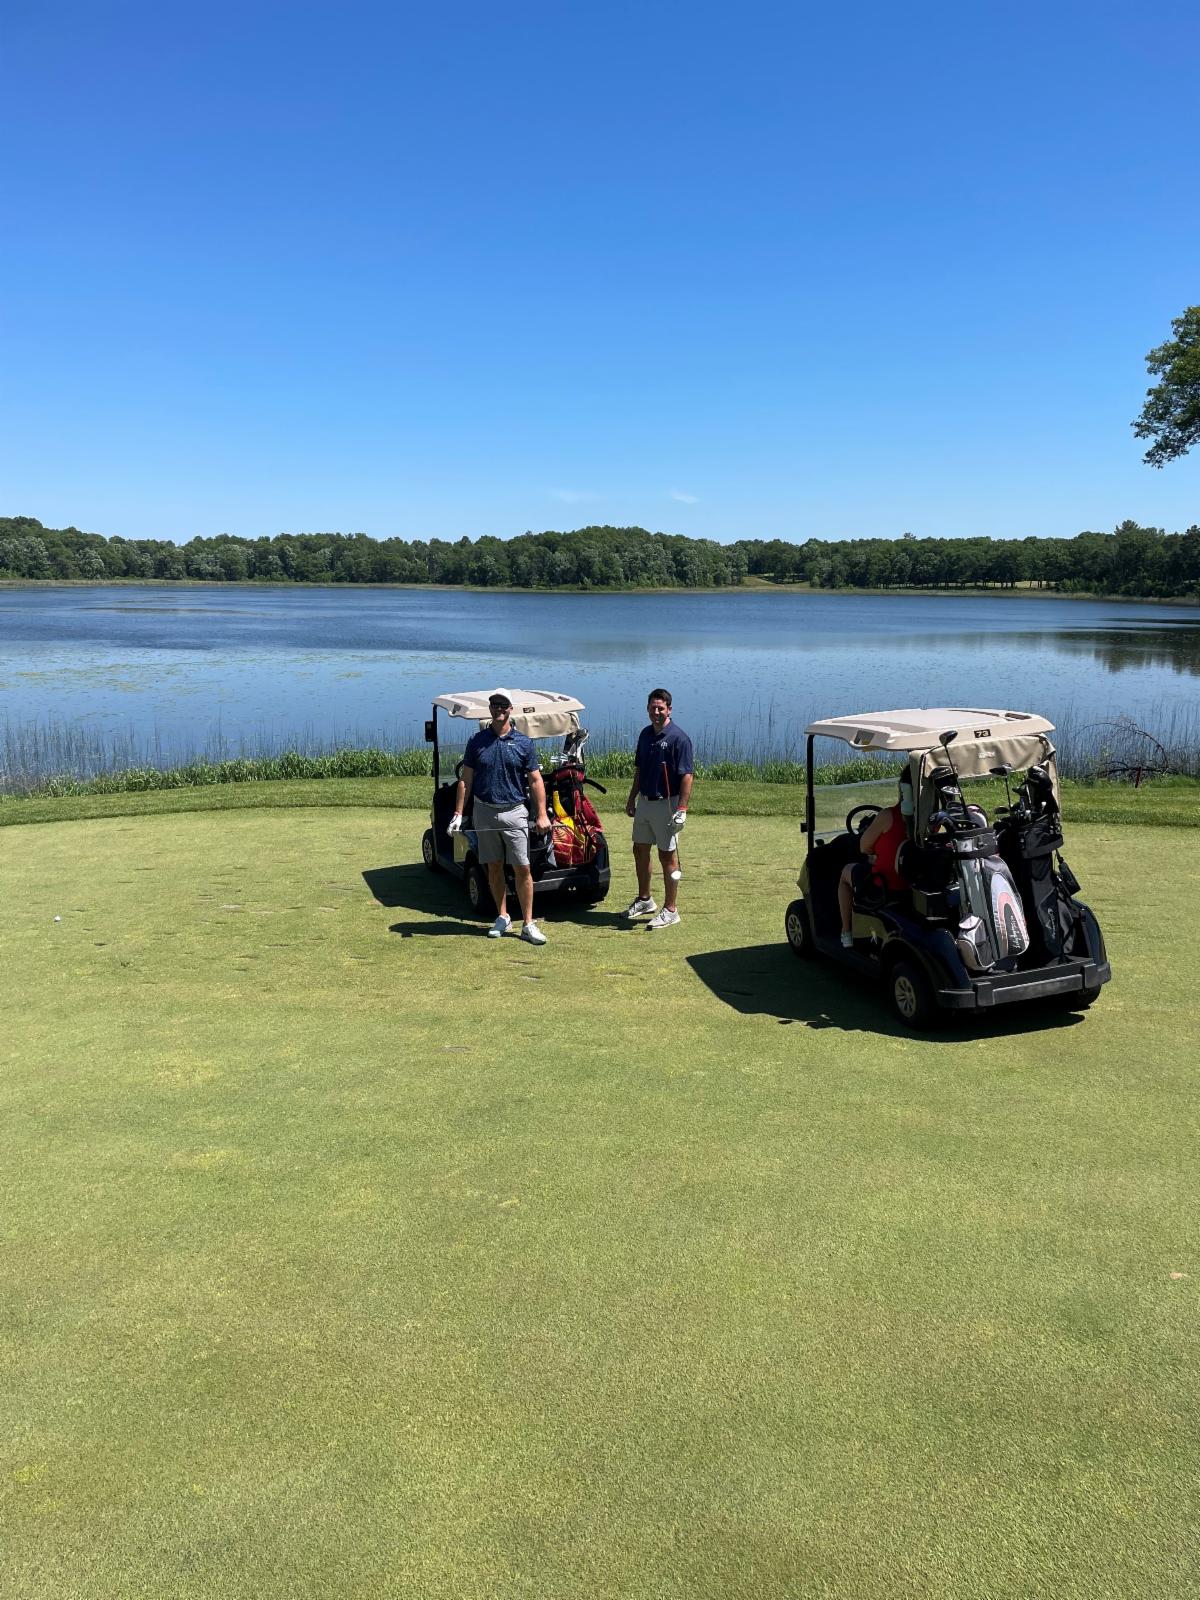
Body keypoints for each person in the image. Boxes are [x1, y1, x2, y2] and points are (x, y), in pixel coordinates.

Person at [449, 692, 552, 943]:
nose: (499, 710)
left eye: (503, 706)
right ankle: (503, 916)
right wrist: (458, 813)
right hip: (484, 811)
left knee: (522, 867)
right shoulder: (477, 741)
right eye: (495, 705)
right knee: (493, 865)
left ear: (510, 709)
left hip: (515, 811)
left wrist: (541, 814)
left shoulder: (523, 743)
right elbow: (466, 780)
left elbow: (536, 780)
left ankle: (528, 924)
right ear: (490, 709)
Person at [624, 687, 694, 929]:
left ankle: (671, 909)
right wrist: (632, 798)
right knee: (640, 849)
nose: (656, 712)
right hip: (645, 801)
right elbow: (640, 770)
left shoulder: (679, 738)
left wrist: (682, 809)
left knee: (667, 856)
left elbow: (687, 776)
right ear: (648, 709)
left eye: (661, 708)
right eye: (653, 708)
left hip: (668, 804)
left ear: (669, 710)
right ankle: (645, 900)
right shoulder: (645, 735)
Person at [838, 795, 909, 947]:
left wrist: (876, 852)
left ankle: (846, 931)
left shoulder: (888, 815)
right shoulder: (928, 820)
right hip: (912, 885)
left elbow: (864, 847)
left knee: (845, 872)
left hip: (883, 887)